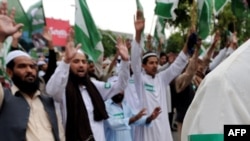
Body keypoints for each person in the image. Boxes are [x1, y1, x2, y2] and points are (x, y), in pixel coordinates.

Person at [46, 37, 130, 141]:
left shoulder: (94, 86)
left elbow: (120, 86)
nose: (81, 65)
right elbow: (51, 90)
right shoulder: (62, 88)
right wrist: (66, 61)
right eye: (76, 61)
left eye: (83, 62)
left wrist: (125, 61)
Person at [131, 10, 190, 141]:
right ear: (144, 65)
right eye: (151, 63)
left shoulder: (161, 78)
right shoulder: (139, 79)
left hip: (162, 128)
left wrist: (188, 45)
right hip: (147, 127)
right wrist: (138, 34)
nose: (154, 65)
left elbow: (177, 65)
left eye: (156, 63)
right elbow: (135, 60)